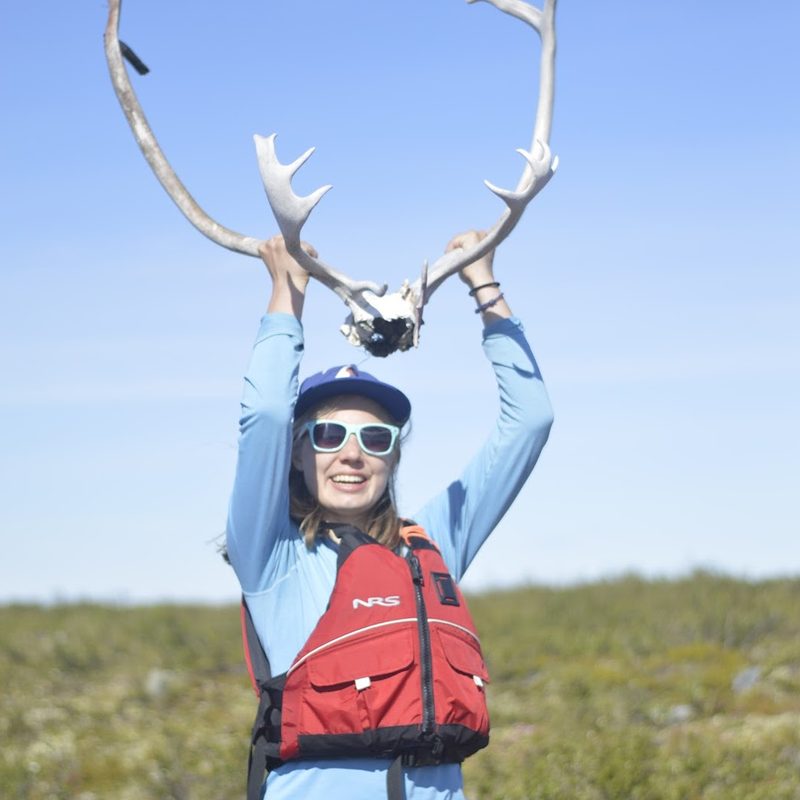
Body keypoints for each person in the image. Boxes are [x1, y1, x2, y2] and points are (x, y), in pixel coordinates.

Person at [225, 231, 553, 800]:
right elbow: (267, 412)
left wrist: (485, 284)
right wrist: (288, 294)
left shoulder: (430, 546)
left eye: (375, 438)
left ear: (393, 457)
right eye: (328, 434)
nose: (352, 453)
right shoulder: (271, 555)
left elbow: (530, 421)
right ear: (297, 453)